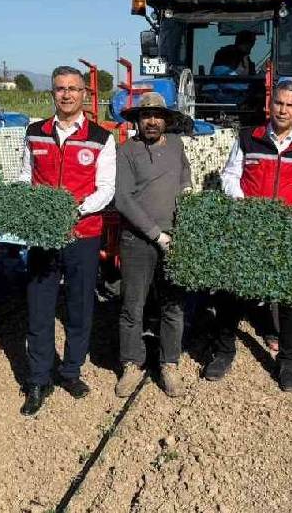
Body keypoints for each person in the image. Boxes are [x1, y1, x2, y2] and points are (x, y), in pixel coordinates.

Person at [208, 80, 292, 392]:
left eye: (290, 105)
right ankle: (224, 351)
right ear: (271, 103)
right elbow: (230, 175)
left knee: (291, 298)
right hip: (249, 227)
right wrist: (243, 205)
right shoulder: (248, 138)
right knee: (232, 292)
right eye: (279, 103)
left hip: (291, 232)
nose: (282, 110)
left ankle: (288, 361)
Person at [16, 66, 116, 416]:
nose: (67, 94)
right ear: (52, 93)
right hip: (43, 236)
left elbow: (106, 189)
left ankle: (71, 370)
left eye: (73, 89)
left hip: (82, 234)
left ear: (85, 95)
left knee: (79, 305)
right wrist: (34, 215)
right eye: (60, 88)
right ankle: (39, 378)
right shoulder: (34, 133)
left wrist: (74, 212)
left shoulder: (102, 138)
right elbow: (23, 178)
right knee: (39, 307)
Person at [114, 92, 192, 399]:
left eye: (157, 116)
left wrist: (186, 189)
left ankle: (169, 363)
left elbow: (184, 172)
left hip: (175, 238)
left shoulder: (176, 145)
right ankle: (131, 364)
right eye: (146, 116)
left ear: (166, 119)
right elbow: (123, 199)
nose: (152, 121)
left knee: (173, 305)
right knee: (132, 305)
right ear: (137, 120)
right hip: (138, 241)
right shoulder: (127, 151)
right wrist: (156, 235)